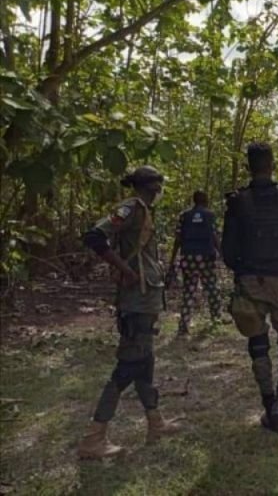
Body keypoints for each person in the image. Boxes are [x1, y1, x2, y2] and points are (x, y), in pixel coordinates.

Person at [78, 166, 182, 459]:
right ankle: (94, 437)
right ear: (151, 187)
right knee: (128, 367)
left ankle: (155, 422)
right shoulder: (130, 207)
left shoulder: (145, 210)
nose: (161, 191)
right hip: (135, 301)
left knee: (144, 362)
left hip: (145, 299)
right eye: (159, 186)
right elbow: (95, 236)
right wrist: (123, 269)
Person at [221, 143, 278, 435]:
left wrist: (243, 272)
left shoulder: (238, 202)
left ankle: (269, 403)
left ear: (249, 166)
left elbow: (228, 250)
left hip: (250, 281)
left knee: (257, 343)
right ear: (272, 164)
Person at [168, 190, 222, 335]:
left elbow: (178, 238)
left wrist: (173, 258)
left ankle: (183, 325)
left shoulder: (185, 216)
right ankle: (216, 319)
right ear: (205, 200)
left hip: (188, 257)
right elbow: (215, 236)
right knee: (211, 288)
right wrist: (222, 253)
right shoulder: (210, 215)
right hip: (206, 257)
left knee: (188, 290)